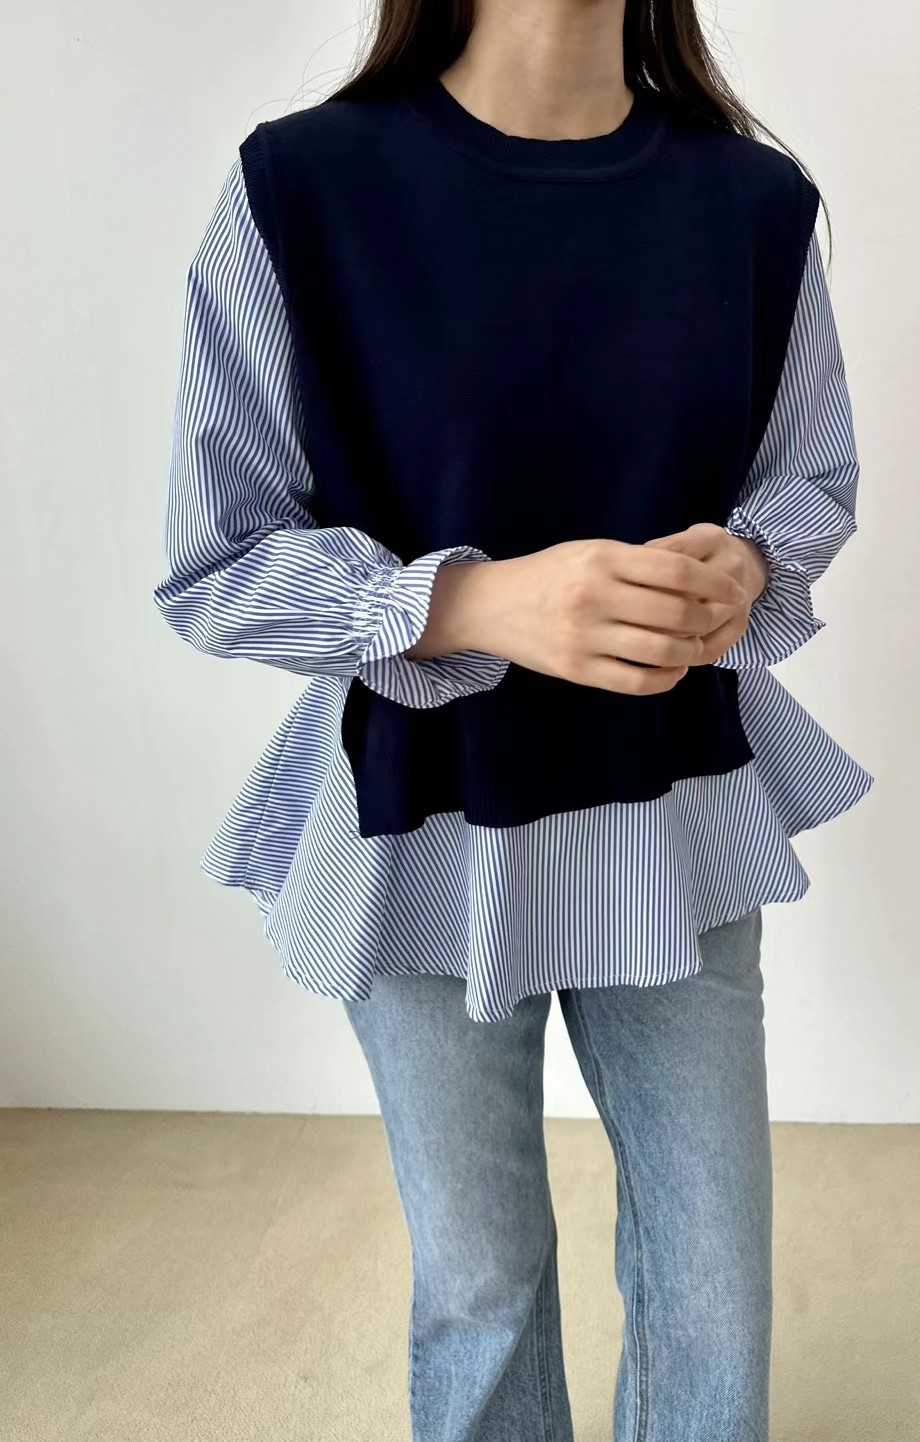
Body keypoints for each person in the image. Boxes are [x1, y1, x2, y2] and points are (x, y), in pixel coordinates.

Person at [153, 1, 873, 1437]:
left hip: (672, 819)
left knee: (713, 1289)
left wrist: (746, 563)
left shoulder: (751, 204)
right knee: (479, 1289)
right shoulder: (302, 189)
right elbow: (215, 562)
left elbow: (810, 479)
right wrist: (475, 602)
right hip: (420, 824)